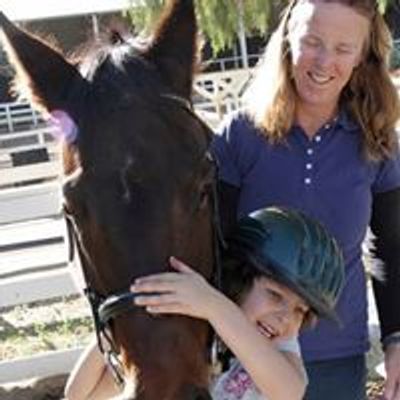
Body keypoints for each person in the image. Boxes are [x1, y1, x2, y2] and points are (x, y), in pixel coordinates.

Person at [212, 1, 400, 399]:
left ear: (362, 57)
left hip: (338, 358)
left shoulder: (378, 141)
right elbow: (215, 246)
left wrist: (397, 339)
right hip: (248, 356)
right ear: (287, 41)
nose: (323, 61)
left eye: (342, 48)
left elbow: (392, 248)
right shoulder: (240, 135)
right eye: (312, 41)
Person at [64, 206, 345, 400]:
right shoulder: (190, 333)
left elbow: (288, 392)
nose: (285, 317)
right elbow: (80, 394)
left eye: (300, 310)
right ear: (238, 277)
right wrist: (123, 319)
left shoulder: (278, 348)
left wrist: (215, 306)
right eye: (275, 295)